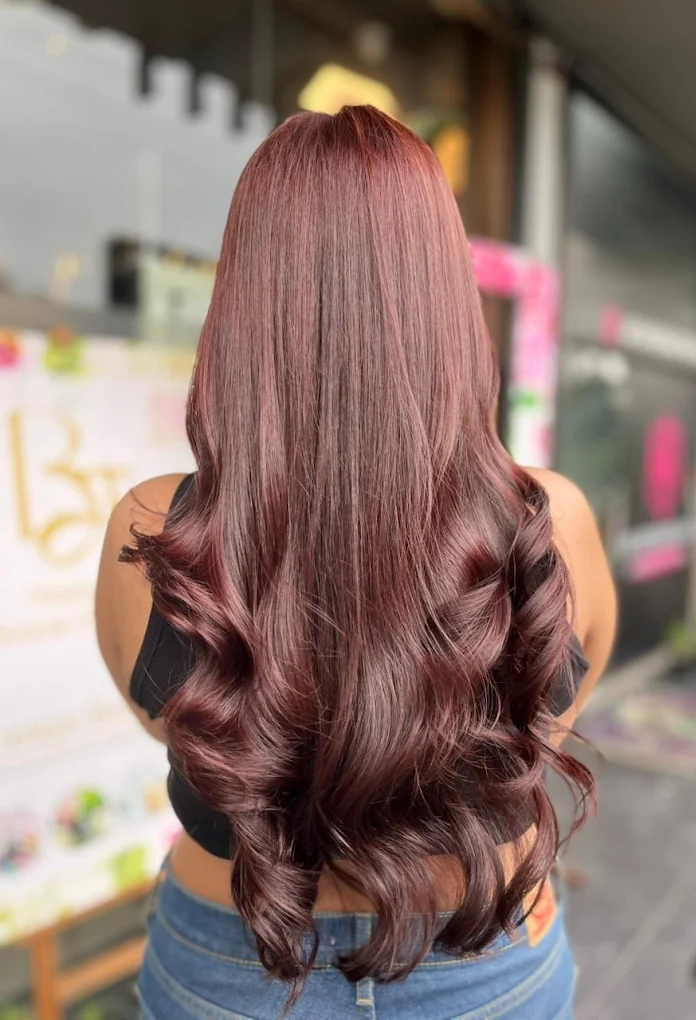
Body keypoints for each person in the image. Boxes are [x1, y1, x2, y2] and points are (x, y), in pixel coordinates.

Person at [96, 106, 616, 1020]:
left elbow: (173, 726)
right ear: (442, 299)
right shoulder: (548, 521)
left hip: (230, 960)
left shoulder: (151, 530)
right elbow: (556, 708)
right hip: (483, 955)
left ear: (244, 302)